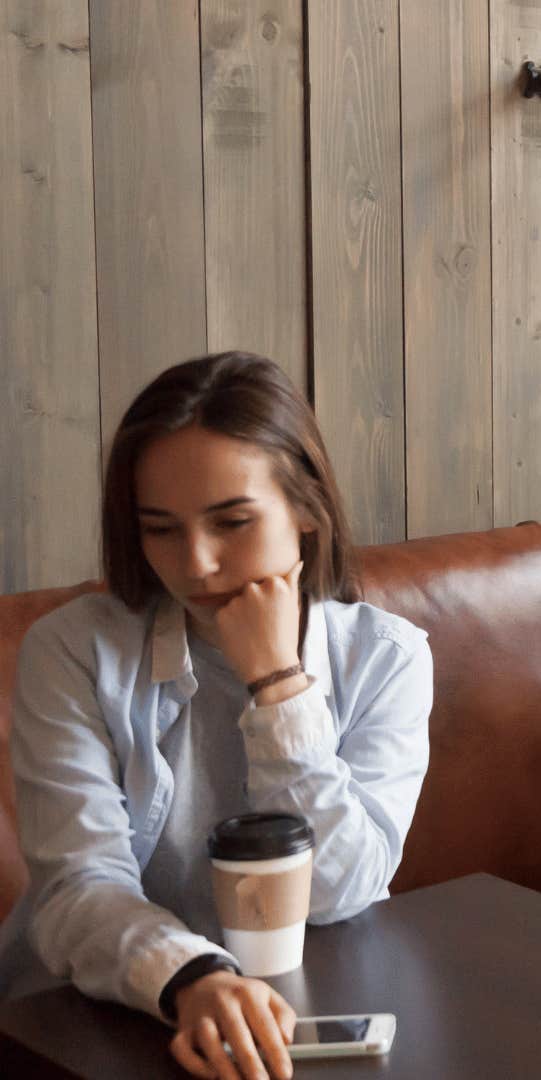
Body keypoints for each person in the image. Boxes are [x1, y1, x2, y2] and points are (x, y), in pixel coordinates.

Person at [0, 352, 434, 1080]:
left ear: (306, 508)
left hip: (297, 1008)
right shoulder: (73, 651)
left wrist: (279, 684)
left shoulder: (387, 658)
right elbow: (78, 884)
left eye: (230, 521)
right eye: (160, 529)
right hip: (88, 1015)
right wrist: (192, 977)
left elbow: (340, 890)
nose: (195, 563)